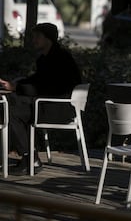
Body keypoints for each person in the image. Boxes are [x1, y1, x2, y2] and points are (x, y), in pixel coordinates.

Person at [0, 23, 82, 175]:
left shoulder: (60, 59)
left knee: (13, 112)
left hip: (59, 108)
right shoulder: (46, 58)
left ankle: (29, 158)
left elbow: (45, 87)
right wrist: (15, 85)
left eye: (37, 37)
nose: (34, 40)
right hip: (47, 103)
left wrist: (16, 88)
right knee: (11, 104)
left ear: (48, 39)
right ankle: (23, 156)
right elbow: (37, 80)